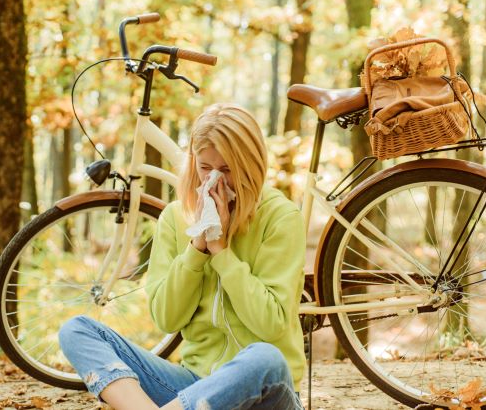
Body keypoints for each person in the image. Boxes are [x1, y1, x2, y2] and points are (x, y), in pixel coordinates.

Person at [59, 103, 307, 410]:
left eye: (227, 170)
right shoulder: (176, 218)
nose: (214, 181)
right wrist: (197, 248)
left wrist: (221, 252)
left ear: (251, 165)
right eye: (205, 168)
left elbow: (272, 324)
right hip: (196, 387)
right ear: (193, 164)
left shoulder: (280, 216)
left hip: (264, 393)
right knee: (77, 330)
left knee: (265, 358)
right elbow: (167, 317)